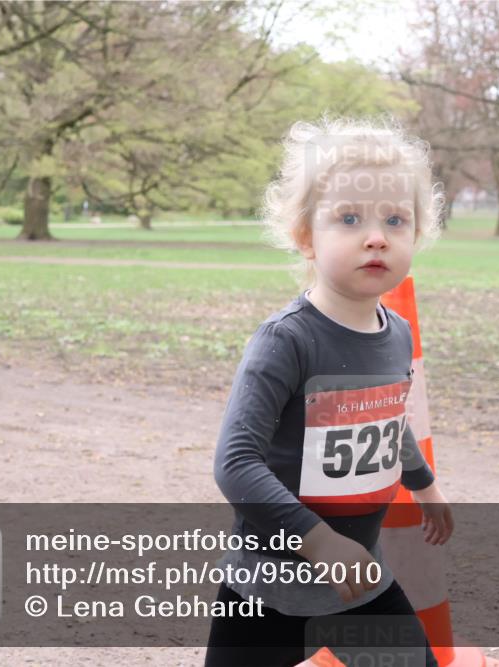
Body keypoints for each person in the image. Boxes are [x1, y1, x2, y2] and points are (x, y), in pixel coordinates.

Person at [207, 116, 454, 667]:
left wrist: (425, 486)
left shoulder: (397, 334)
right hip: (268, 589)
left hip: (361, 580)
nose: (377, 236)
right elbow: (235, 463)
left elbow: (387, 420)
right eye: (349, 219)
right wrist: (318, 543)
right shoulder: (286, 340)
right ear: (305, 237)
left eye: (396, 220)